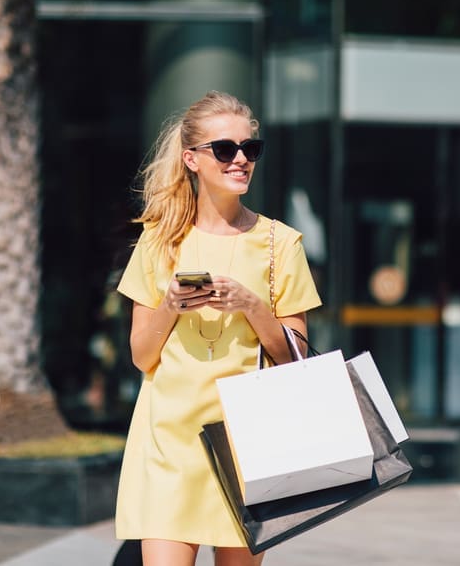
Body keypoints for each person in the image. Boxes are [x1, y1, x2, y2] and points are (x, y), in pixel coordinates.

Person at [114, 90, 322, 566]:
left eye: (251, 148)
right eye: (225, 149)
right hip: (169, 437)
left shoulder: (280, 243)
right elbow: (142, 356)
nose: (241, 160)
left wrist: (251, 305)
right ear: (192, 159)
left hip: (248, 441)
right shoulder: (159, 238)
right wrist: (169, 305)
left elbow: (296, 361)